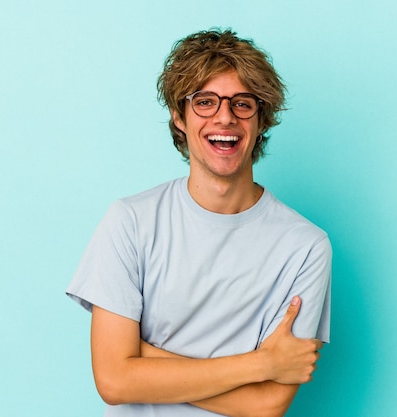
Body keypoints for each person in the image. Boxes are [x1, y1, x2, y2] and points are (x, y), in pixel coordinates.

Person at [66, 28, 332, 417]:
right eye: (205, 102)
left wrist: (143, 359)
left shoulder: (306, 247)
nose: (224, 117)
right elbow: (114, 381)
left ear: (262, 119)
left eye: (242, 104)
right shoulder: (130, 221)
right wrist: (261, 364)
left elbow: (268, 403)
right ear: (179, 116)